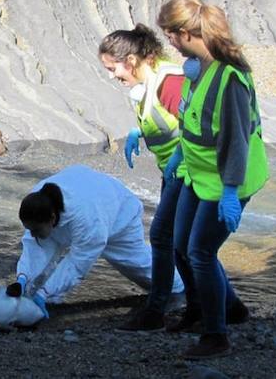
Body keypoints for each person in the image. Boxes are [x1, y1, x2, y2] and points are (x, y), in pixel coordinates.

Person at [157, 0, 269, 359]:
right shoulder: (195, 68)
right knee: (179, 246)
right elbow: (194, 121)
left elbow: (236, 140)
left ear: (186, 33)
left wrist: (232, 192)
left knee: (200, 252)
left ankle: (215, 335)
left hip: (226, 180)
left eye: (171, 36)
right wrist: (178, 154)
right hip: (198, 173)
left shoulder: (229, 77)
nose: (169, 43)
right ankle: (213, 309)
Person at [97, 24, 188, 331]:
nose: (112, 76)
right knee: (182, 244)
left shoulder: (170, 81)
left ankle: (157, 310)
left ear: (132, 61)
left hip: (189, 172)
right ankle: (226, 307)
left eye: (113, 69)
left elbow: (199, 124)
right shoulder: (147, 83)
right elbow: (164, 118)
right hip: (175, 171)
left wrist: (181, 154)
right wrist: (140, 132)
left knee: (165, 237)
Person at [4, 165, 184, 318]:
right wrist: (22, 279)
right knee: (38, 262)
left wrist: (44, 293)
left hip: (119, 213)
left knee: (138, 265)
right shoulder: (38, 201)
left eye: (36, 230)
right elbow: (35, 248)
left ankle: (182, 288)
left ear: (52, 218)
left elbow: (77, 264)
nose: (32, 234)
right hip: (88, 192)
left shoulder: (88, 220)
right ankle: (35, 294)